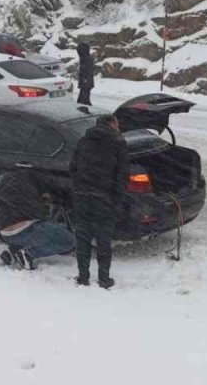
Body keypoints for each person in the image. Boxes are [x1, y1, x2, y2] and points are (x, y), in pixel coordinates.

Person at [69, 114, 128, 288]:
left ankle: (83, 277)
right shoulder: (118, 144)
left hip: (82, 197)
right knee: (103, 240)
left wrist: (80, 188)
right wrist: (116, 199)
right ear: (112, 125)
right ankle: (104, 278)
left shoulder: (83, 141)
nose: (119, 128)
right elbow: (122, 176)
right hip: (105, 198)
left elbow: (73, 168)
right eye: (117, 125)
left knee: (83, 238)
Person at [0, 170, 76, 270]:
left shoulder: (0, 192)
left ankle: (13, 255)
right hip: (27, 229)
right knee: (69, 241)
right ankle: (28, 254)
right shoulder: (36, 184)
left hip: (6, 234)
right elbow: (44, 214)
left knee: (40, 230)